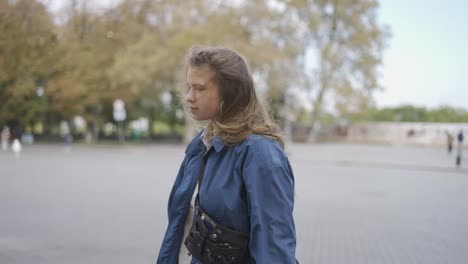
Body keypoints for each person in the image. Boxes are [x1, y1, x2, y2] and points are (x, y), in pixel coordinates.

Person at [157, 46, 297, 264]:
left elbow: (274, 248)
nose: (189, 97)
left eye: (199, 88)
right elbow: (179, 228)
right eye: (189, 87)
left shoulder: (260, 154)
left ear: (230, 92)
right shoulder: (203, 143)